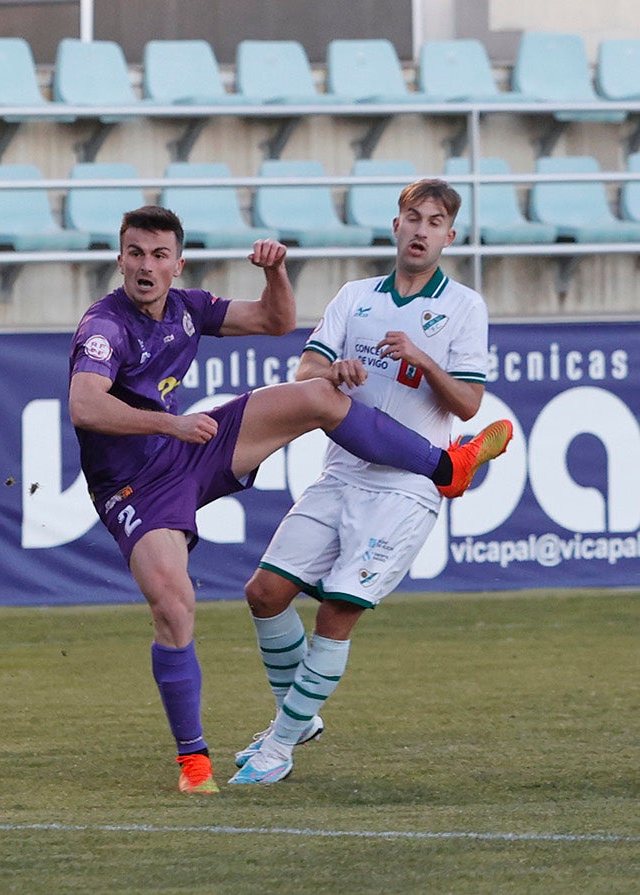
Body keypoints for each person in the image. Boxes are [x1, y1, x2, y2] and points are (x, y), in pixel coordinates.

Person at [68, 205, 511, 795]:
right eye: (134, 253)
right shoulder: (104, 325)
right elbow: (85, 407)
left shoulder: (187, 307)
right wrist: (170, 426)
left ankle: (447, 467)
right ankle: (194, 761)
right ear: (119, 258)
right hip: (134, 483)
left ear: (177, 263)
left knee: (317, 397)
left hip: (191, 451)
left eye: (158, 255)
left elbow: (277, 321)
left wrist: (276, 273)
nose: (145, 266)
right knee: (177, 606)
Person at [228, 179, 503, 785]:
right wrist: (336, 370)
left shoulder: (463, 306)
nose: (421, 229)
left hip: (406, 485)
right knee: (264, 593)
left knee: (336, 610)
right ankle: (300, 719)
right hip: (341, 473)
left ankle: (280, 743)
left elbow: (467, 405)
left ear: (449, 237)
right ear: (396, 225)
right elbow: (307, 369)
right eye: (413, 216)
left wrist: (423, 360)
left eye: (435, 221)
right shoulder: (354, 298)